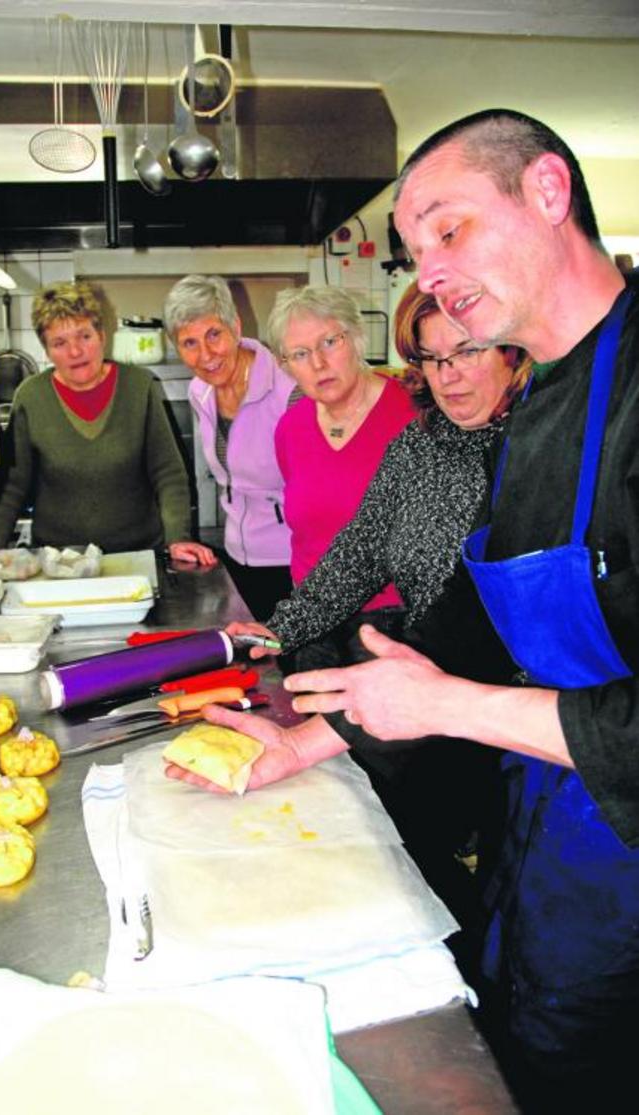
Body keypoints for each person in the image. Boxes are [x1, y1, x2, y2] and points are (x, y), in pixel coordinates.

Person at [169, 110, 639, 1109]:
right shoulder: (551, 404)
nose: (429, 272)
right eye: (415, 249)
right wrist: (318, 731)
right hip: (550, 831)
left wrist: (444, 706)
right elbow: (476, 608)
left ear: (549, 192)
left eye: (448, 228)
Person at [227, 282, 528, 949]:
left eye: (466, 351)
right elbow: (355, 556)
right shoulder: (417, 447)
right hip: (426, 691)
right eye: (429, 358)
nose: (446, 376)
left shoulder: (532, 448)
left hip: (523, 716)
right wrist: (277, 630)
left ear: (510, 349)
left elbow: (478, 615)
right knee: (421, 869)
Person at [0, 281, 214, 562]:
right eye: (60, 343)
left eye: (84, 336)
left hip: (139, 557)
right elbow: (11, 489)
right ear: (46, 350)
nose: (75, 352)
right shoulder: (31, 397)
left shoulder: (139, 387)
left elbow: (169, 475)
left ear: (102, 334)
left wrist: (178, 539)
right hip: (60, 563)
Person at [267, 285, 416, 668]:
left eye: (329, 342)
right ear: (286, 366)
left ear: (356, 336)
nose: (318, 363)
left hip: (393, 622)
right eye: (300, 354)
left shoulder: (413, 415)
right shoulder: (291, 428)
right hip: (312, 623)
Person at [163, 274, 299, 619]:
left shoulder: (288, 391)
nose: (206, 354)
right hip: (237, 557)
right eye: (189, 343)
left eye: (213, 334)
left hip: (294, 563)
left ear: (236, 327)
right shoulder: (200, 392)